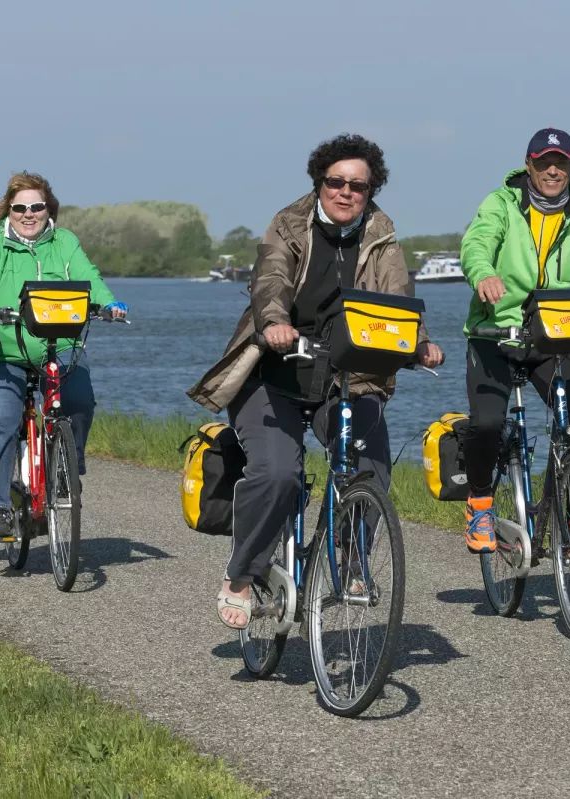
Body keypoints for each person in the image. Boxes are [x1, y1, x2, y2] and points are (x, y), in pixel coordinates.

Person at [188, 133, 445, 629]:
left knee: (370, 467)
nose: (346, 192)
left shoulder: (382, 236)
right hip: (274, 373)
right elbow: (270, 281)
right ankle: (241, 575)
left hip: (348, 376)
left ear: (371, 192)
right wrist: (275, 322)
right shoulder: (288, 225)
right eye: (336, 182)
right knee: (279, 473)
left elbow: (399, 298)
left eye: (359, 186)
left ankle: (350, 559)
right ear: (319, 181)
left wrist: (419, 342)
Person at [458, 128, 570, 553]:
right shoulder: (502, 203)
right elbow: (476, 243)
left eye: (561, 162)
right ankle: (480, 502)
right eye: (543, 162)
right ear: (529, 165)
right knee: (487, 422)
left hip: (554, 334)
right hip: (495, 332)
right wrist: (483, 274)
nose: (552, 170)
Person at [0, 171, 127, 539]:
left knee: (80, 398)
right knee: (3, 418)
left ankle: (67, 467)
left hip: (59, 344)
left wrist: (107, 302)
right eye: (20, 208)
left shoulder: (64, 241)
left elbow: (88, 275)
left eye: (36, 206)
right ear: (8, 210)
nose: (28, 214)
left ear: (48, 208)